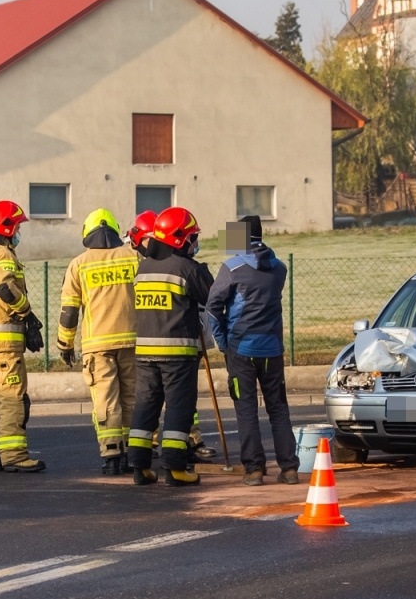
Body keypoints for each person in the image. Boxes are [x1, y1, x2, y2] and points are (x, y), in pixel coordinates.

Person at [207, 215, 299, 485]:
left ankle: (255, 470)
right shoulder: (279, 268)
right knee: (279, 408)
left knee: (246, 410)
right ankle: (289, 468)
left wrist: (223, 343)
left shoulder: (231, 268)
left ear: (239, 236)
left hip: (241, 350)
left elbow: (214, 306)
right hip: (272, 350)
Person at [128, 206, 214, 486]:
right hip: (177, 353)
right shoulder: (187, 268)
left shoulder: (144, 268)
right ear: (180, 239)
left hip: (144, 353)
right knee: (179, 406)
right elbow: (212, 298)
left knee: (146, 405)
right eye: (192, 237)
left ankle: (140, 467)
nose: (194, 243)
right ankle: (176, 468)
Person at [57, 209, 138, 475]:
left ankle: (112, 453)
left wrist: (65, 345)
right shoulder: (133, 257)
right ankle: (133, 453)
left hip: (97, 346)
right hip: (133, 341)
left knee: (106, 400)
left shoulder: (79, 264)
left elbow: (69, 312)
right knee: (132, 399)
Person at [0, 200, 45, 473]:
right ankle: (14, 455)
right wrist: (28, 315)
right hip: (4, 345)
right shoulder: (2, 254)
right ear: (8, 227)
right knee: (13, 398)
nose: (18, 233)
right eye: (17, 227)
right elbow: (5, 288)